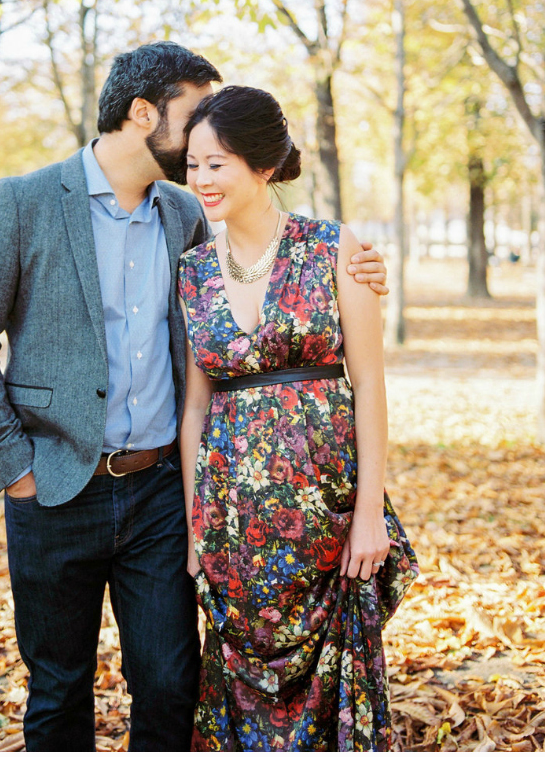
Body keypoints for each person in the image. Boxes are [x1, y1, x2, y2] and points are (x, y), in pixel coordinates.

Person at [0, 42, 390, 751]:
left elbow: (266, 258)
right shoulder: (26, 202)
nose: (205, 132)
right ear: (144, 112)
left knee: (170, 683)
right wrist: (16, 466)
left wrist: (358, 262)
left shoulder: (183, 215)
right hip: (55, 489)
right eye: (194, 114)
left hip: (157, 493)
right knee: (58, 686)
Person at [178, 85, 416, 750]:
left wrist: (369, 511)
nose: (201, 178)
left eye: (216, 162)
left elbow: (368, 382)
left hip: (327, 516)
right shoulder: (193, 270)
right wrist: (197, 525)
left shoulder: (335, 248)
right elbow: (197, 406)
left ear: (263, 164)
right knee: (241, 701)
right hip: (233, 530)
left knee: (329, 696)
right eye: (193, 164)